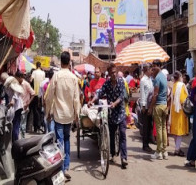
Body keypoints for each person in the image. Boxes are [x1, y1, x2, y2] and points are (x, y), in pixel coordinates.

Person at [45, 52, 81, 180]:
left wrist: (48, 112)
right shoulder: (73, 78)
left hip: (59, 115)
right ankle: (65, 168)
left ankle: (60, 169)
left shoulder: (56, 76)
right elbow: (76, 99)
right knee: (66, 140)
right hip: (69, 115)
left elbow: (49, 97)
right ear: (69, 62)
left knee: (59, 141)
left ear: (61, 62)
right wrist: (77, 115)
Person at [88, 64, 128, 169]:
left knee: (123, 134)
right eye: (112, 73)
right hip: (111, 113)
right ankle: (112, 153)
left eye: (115, 72)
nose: (114, 74)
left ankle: (124, 158)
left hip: (120, 111)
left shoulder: (121, 82)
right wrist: (92, 101)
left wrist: (115, 103)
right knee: (111, 133)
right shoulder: (107, 83)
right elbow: (99, 93)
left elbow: (121, 96)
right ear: (109, 74)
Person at [148, 60, 168, 160]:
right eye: (152, 66)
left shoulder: (158, 78)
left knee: (160, 129)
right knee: (163, 128)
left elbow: (155, 95)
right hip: (164, 105)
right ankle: (164, 151)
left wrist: (151, 107)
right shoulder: (164, 77)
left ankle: (159, 151)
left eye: (154, 66)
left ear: (159, 66)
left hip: (159, 105)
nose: (153, 68)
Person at [170, 71, 188, 156]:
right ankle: (177, 149)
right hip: (180, 111)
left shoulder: (173, 85)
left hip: (174, 110)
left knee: (175, 131)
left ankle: (178, 148)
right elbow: (183, 100)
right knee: (180, 131)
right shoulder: (182, 85)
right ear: (180, 77)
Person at [3, 73, 24, 142]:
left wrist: (13, 101)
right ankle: (14, 141)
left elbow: (16, 93)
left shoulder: (11, 83)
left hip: (17, 107)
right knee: (14, 125)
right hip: (14, 108)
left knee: (15, 125)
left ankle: (15, 142)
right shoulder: (6, 86)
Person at [15, 71, 35, 139]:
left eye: (17, 78)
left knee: (22, 125)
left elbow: (33, 93)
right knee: (17, 124)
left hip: (24, 107)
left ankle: (22, 140)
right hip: (17, 107)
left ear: (20, 77)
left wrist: (28, 103)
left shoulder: (26, 84)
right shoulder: (15, 84)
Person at [140, 64, 153, 152]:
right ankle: (145, 145)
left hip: (150, 104)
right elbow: (143, 94)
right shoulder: (143, 80)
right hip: (146, 106)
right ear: (146, 70)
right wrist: (143, 106)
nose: (151, 71)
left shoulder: (150, 79)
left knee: (149, 126)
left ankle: (148, 142)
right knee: (146, 126)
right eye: (150, 70)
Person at [30, 62, 45, 133]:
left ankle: (36, 127)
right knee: (40, 110)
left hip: (35, 94)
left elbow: (30, 80)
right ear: (40, 66)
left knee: (35, 110)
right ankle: (39, 125)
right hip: (41, 94)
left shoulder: (34, 72)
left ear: (36, 66)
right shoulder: (43, 73)